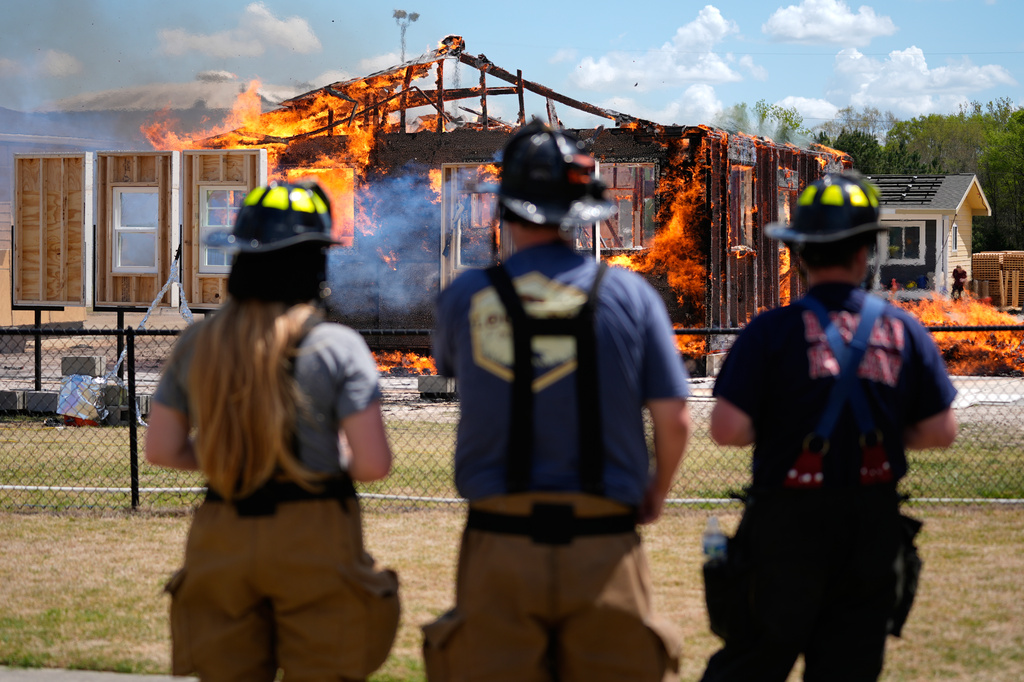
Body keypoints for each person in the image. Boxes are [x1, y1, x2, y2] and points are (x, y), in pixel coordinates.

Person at [423, 120, 693, 681]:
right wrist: (656, 494)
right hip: (604, 544)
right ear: (582, 210)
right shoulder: (630, 295)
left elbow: (449, 367)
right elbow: (675, 419)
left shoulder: (465, 297)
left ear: (506, 210)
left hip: (499, 544)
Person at [700, 173, 958, 682]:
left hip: (786, 526)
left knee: (752, 661)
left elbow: (726, 430)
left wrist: (786, 425)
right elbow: (940, 431)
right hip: (872, 530)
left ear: (798, 254)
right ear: (866, 251)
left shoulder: (769, 332)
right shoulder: (903, 329)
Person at [145, 181, 399, 682]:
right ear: (315, 263)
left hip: (224, 527)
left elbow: (162, 448)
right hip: (316, 529)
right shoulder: (336, 346)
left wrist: (237, 455)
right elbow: (373, 464)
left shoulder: (198, 341)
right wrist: (310, 458)